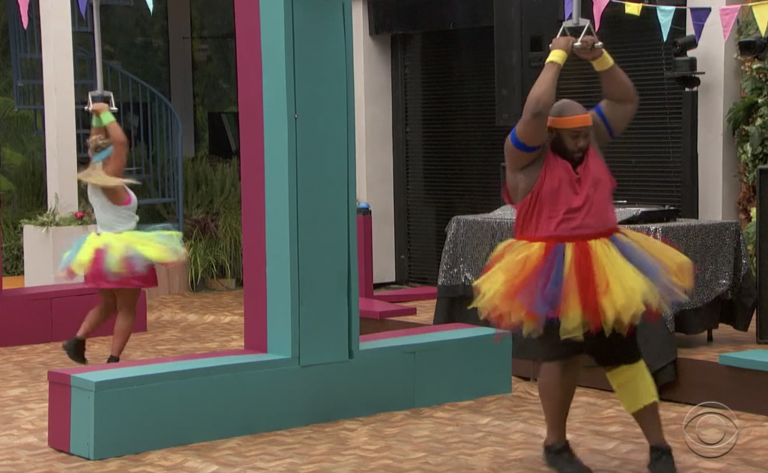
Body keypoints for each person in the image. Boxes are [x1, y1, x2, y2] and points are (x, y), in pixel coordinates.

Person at [471, 36, 693, 473]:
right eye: (573, 136)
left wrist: (599, 57)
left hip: (603, 262)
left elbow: (625, 99)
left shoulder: (590, 137)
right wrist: (557, 53)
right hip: (549, 269)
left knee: (624, 354)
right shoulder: (525, 156)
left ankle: (659, 447)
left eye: (586, 134)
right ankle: (555, 445)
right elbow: (536, 111)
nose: (583, 142)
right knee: (561, 354)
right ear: (551, 134)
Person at [61, 102, 187, 365]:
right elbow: (121, 141)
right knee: (127, 308)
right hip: (122, 251)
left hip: (101, 248)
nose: (123, 158)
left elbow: (97, 143)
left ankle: (78, 340)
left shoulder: (95, 175)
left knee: (109, 303)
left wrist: (97, 116)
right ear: (110, 157)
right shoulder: (109, 178)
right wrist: (106, 111)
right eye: (117, 155)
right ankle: (113, 359)